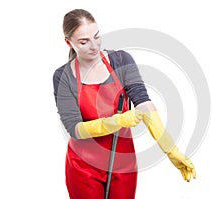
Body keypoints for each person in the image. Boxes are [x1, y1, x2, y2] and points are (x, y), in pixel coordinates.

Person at [53, 9, 196, 199]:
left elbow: (144, 105)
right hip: (84, 167)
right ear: (68, 42)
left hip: (123, 164)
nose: (94, 46)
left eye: (96, 36)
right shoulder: (63, 76)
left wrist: (172, 151)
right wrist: (116, 121)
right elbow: (75, 129)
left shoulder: (121, 61)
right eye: (84, 41)